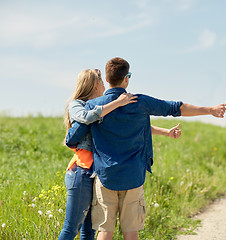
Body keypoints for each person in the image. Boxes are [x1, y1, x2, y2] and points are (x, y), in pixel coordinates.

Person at [65, 57, 226, 240]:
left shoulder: (94, 106)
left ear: (108, 80)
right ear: (126, 78)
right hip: (133, 176)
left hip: (105, 176)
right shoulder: (140, 102)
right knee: (131, 231)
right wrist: (210, 109)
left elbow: (73, 138)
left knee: (105, 231)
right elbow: (175, 108)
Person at [59, 69, 182, 240]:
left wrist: (166, 132)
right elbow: (87, 117)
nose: (105, 85)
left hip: (95, 171)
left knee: (89, 230)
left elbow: (135, 126)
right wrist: (117, 103)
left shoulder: (102, 106)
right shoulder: (82, 105)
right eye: (102, 82)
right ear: (95, 85)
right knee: (72, 228)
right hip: (81, 170)